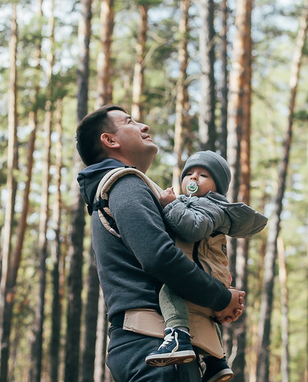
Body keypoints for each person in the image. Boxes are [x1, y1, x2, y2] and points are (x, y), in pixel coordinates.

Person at [76, 105, 245, 382]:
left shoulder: (124, 188)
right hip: (153, 345)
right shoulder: (125, 184)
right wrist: (220, 297)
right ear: (110, 140)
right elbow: (159, 257)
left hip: (154, 347)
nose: (145, 126)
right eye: (130, 122)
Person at [145, 150, 267, 382]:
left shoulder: (212, 206)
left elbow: (193, 229)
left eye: (203, 175)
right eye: (189, 173)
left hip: (202, 272)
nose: (193, 178)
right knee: (205, 316)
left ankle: (176, 337)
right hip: (210, 273)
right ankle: (216, 361)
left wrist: (171, 205)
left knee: (170, 291)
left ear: (217, 188)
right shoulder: (193, 203)